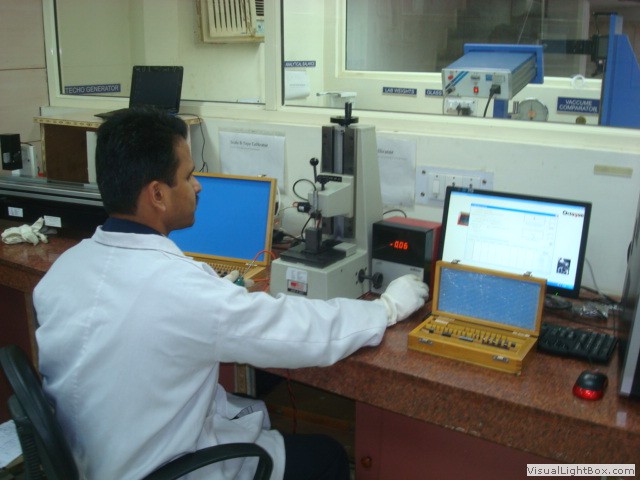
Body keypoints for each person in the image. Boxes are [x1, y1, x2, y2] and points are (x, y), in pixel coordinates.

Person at [33, 108, 428, 480]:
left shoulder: (64, 271)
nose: (198, 185)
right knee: (326, 455)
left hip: (95, 463)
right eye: (189, 176)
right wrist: (387, 308)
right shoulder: (181, 289)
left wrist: (218, 298)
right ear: (157, 195)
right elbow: (297, 331)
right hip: (170, 469)